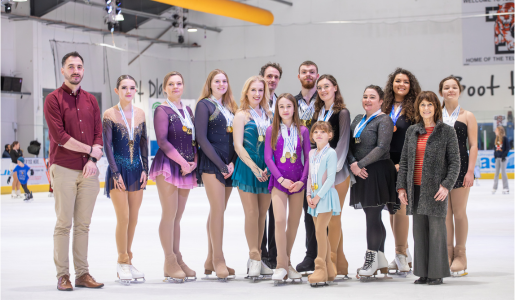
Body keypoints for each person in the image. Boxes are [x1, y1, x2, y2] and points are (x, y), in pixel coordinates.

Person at [44, 51, 104, 291]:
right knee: (63, 224)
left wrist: (92, 158)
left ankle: (82, 273)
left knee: (83, 225)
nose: (76, 70)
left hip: (89, 171)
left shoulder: (91, 100)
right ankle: (63, 275)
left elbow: (98, 132)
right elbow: (60, 137)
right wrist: (91, 150)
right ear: (63, 70)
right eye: (71, 66)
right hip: (64, 167)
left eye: (79, 66)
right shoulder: (53, 99)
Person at [397, 91, 460, 285]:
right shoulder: (412, 131)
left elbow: (455, 162)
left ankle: (437, 273)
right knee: (419, 232)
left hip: (435, 190)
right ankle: (423, 272)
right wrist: (401, 188)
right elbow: (405, 161)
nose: (426, 109)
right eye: (423, 105)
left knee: (436, 232)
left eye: (430, 105)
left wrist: (446, 185)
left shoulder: (446, 131)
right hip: (415, 189)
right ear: (418, 108)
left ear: (436, 108)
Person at [149, 71, 198, 283]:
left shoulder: (187, 110)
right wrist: (182, 162)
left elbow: (194, 139)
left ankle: (177, 257)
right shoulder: (161, 110)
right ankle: (168, 260)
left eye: (179, 83)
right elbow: (162, 141)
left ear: (183, 86)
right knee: (169, 214)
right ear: (165, 88)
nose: (175, 87)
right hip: (169, 165)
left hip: (187, 165)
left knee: (178, 215)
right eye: (171, 84)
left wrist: (193, 161)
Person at [347, 85, 399, 280]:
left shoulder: (384, 119)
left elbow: (382, 147)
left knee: (373, 216)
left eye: (372, 97)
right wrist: (353, 163)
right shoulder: (358, 120)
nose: (367, 100)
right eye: (365, 96)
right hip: (360, 171)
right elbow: (349, 144)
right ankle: (381, 259)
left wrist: (359, 164)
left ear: (381, 101)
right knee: (373, 215)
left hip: (377, 171)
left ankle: (371, 258)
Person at [103, 75, 148, 285]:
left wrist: (145, 169)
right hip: (118, 169)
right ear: (116, 90)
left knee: (134, 218)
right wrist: (114, 172)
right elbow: (107, 146)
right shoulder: (110, 114)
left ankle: (129, 260)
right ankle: (121, 261)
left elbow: (144, 144)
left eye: (132, 87)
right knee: (123, 217)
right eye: (124, 87)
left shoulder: (140, 114)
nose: (128, 91)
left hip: (136, 169)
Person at [195, 69, 238, 281]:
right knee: (218, 210)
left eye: (224, 81)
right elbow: (201, 138)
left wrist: (231, 163)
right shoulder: (204, 105)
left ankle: (210, 259)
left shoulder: (231, 106)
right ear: (210, 84)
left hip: (229, 166)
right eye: (217, 81)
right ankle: (219, 259)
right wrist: (221, 165)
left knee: (217, 211)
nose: (221, 84)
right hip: (213, 165)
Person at [265, 93, 310, 284]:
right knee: (280, 220)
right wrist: (281, 179)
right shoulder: (271, 130)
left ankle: (286, 262)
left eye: (288, 106)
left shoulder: (303, 130)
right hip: (279, 182)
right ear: (277, 109)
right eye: (281, 106)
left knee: (293, 223)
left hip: (298, 181)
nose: (285, 110)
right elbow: (268, 158)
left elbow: (308, 157)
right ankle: (281, 265)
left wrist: (303, 180)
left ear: (294, 109)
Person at [232, 75, 273, 280]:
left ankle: (258, 258)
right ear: (246, 92)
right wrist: (255, 168)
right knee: (251, 213)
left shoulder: (269, 114)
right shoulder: (241, 115)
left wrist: (268, 168)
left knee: (262, 214)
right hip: (248, 168)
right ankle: (253, 256)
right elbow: (238, 146)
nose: (257, 94)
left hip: (266, 169)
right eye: (253, 90)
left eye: (260, 90)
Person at [312, 75, 351, 277]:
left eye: (327, 86)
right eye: (320, 87)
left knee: (334, 218)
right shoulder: (319, 112)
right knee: (325, 218)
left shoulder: (342, 112)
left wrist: (332, 168)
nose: (323, 90)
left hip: (336, 173)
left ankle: (333, 260)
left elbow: (343, 142)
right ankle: (340, 262)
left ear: (335, 87)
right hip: (319, 174)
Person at [382, 68, 421, 273]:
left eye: (406, 81)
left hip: (405, 161)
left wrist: (403, 163)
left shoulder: (414, 108)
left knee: (402, 207)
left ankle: (401, 254)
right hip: (386, 161)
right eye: (398, 81)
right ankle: (402, 250)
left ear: (410, 85)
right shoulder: (384, 106)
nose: (401, 84)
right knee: (391, 208)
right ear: (392, 84)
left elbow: (417, 137)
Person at [440, 75, 478, 277]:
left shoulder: (467, 116)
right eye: (446, 87)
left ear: (459, 91)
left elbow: (473, 145)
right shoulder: (435, 115)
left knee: (459, 212)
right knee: (445, 214)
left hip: (462, 168)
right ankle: (446, 253)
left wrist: (471, 171)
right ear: (441, 92)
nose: (450, 90)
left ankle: (460, 254)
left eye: (454, 87)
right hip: (441, 170)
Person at [306, 121, 341, 287]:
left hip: (325, 197)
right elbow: (310, 177)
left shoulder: (331, 153)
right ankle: (329, 270)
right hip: (312, 197)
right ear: (312, 136)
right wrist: (308, 195)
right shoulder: (312, 153)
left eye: (323, 132)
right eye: (316, 132)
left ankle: (319, 267)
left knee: (320, 231)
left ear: (330, 135)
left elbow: (330, 179)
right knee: (320, 234)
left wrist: (318, 197)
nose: (319, 134)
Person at [294, 60, 320, 273]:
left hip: (322, 160)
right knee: (308, 210)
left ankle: (326, 254)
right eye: (304, 72)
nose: (308, 75)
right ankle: (311, 255)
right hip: (299, 162)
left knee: (324, 208)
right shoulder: (291, 102)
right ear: (298, 76)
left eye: (312, 72)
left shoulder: (325, 101)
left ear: (317, 76)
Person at [259, 62, 283, 269]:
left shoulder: (281, 103)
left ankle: (274, 255)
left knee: (275, 211)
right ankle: (259, 254)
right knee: (259, 210)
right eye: (269, 76)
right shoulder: (253, 101)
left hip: (277, 162)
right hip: (257, 162)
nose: (272, 80)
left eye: (276, 77)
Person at [493, 126, 510, 194]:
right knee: (496, 173)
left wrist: (504, 155)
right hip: (497, 158)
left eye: (496, 130)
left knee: (503, 173)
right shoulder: (496, 139)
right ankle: (494, 187)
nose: (495, 131)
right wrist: (495, 155)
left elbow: (507, 148)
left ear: (500, 131)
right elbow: (495, 149)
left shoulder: (505, 138)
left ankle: (506, 188)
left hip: (503, 158)